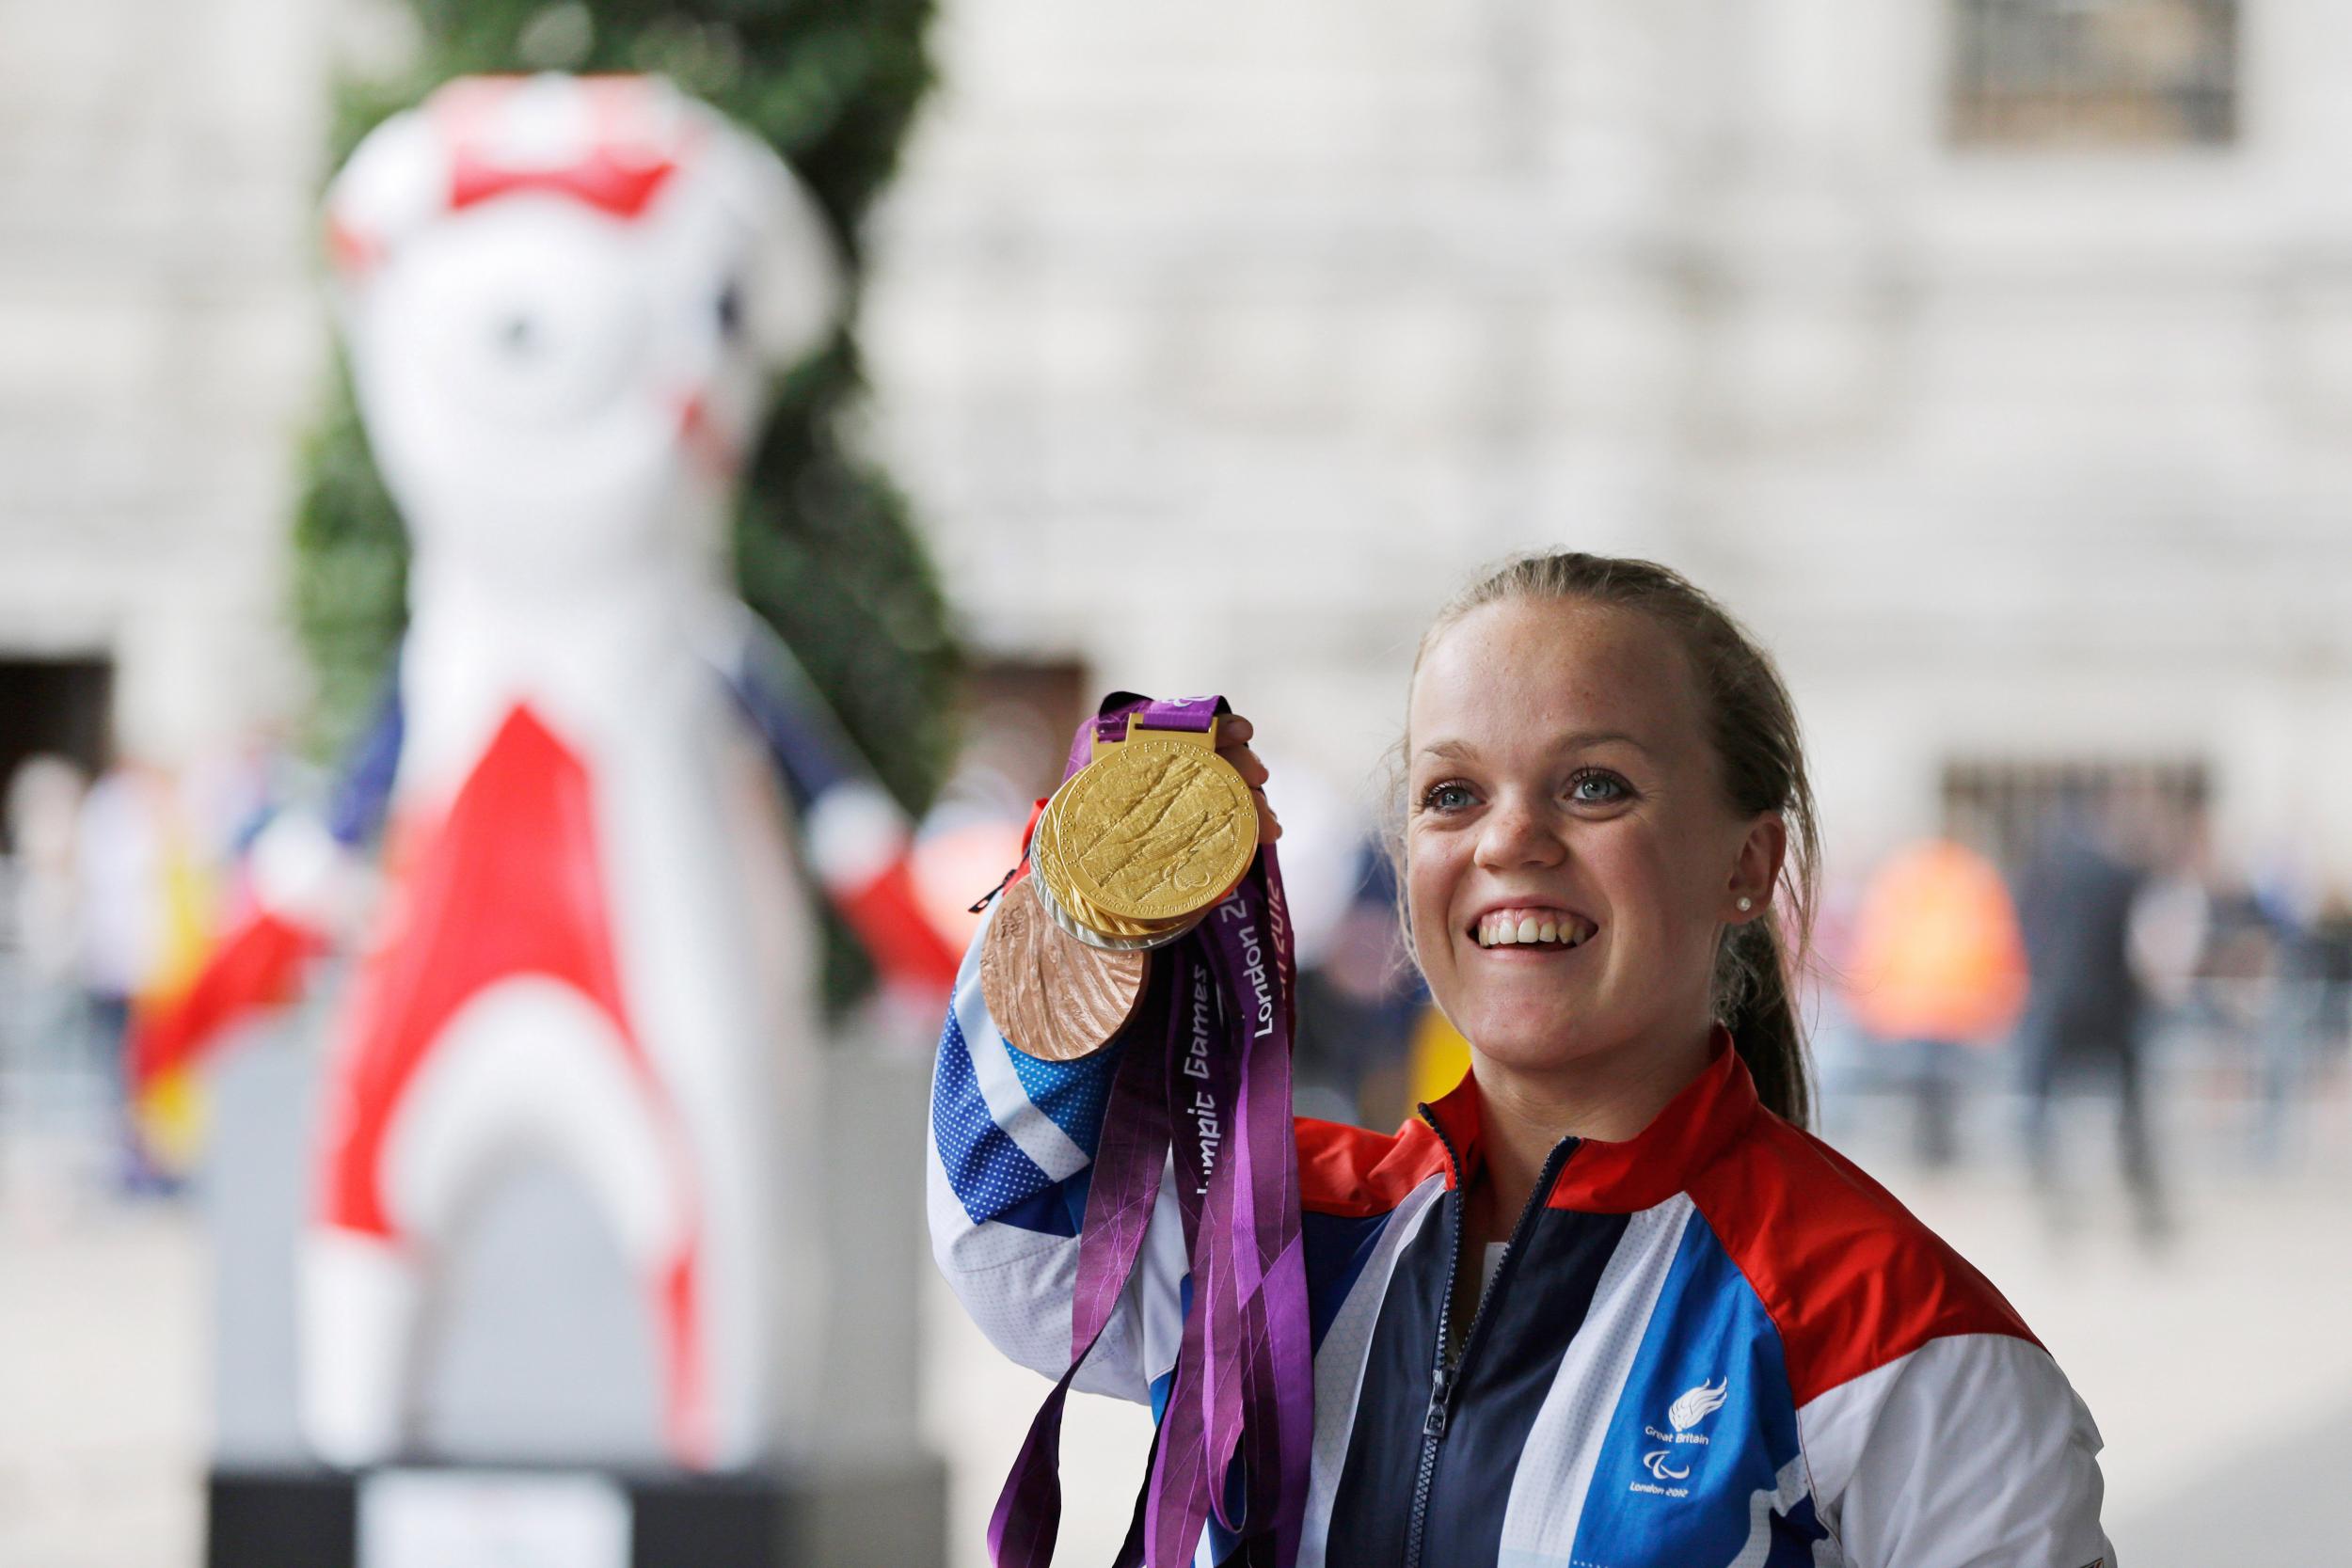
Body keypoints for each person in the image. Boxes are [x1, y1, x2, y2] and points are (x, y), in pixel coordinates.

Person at [930, 553, 2114, 1565]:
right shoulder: (1276, 1236)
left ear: (1748, 863)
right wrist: (1092, 886)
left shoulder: (1900, 1334)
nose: (1509, 838)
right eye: (1453, 793)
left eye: (1593, 784)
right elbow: (1014, 1225)